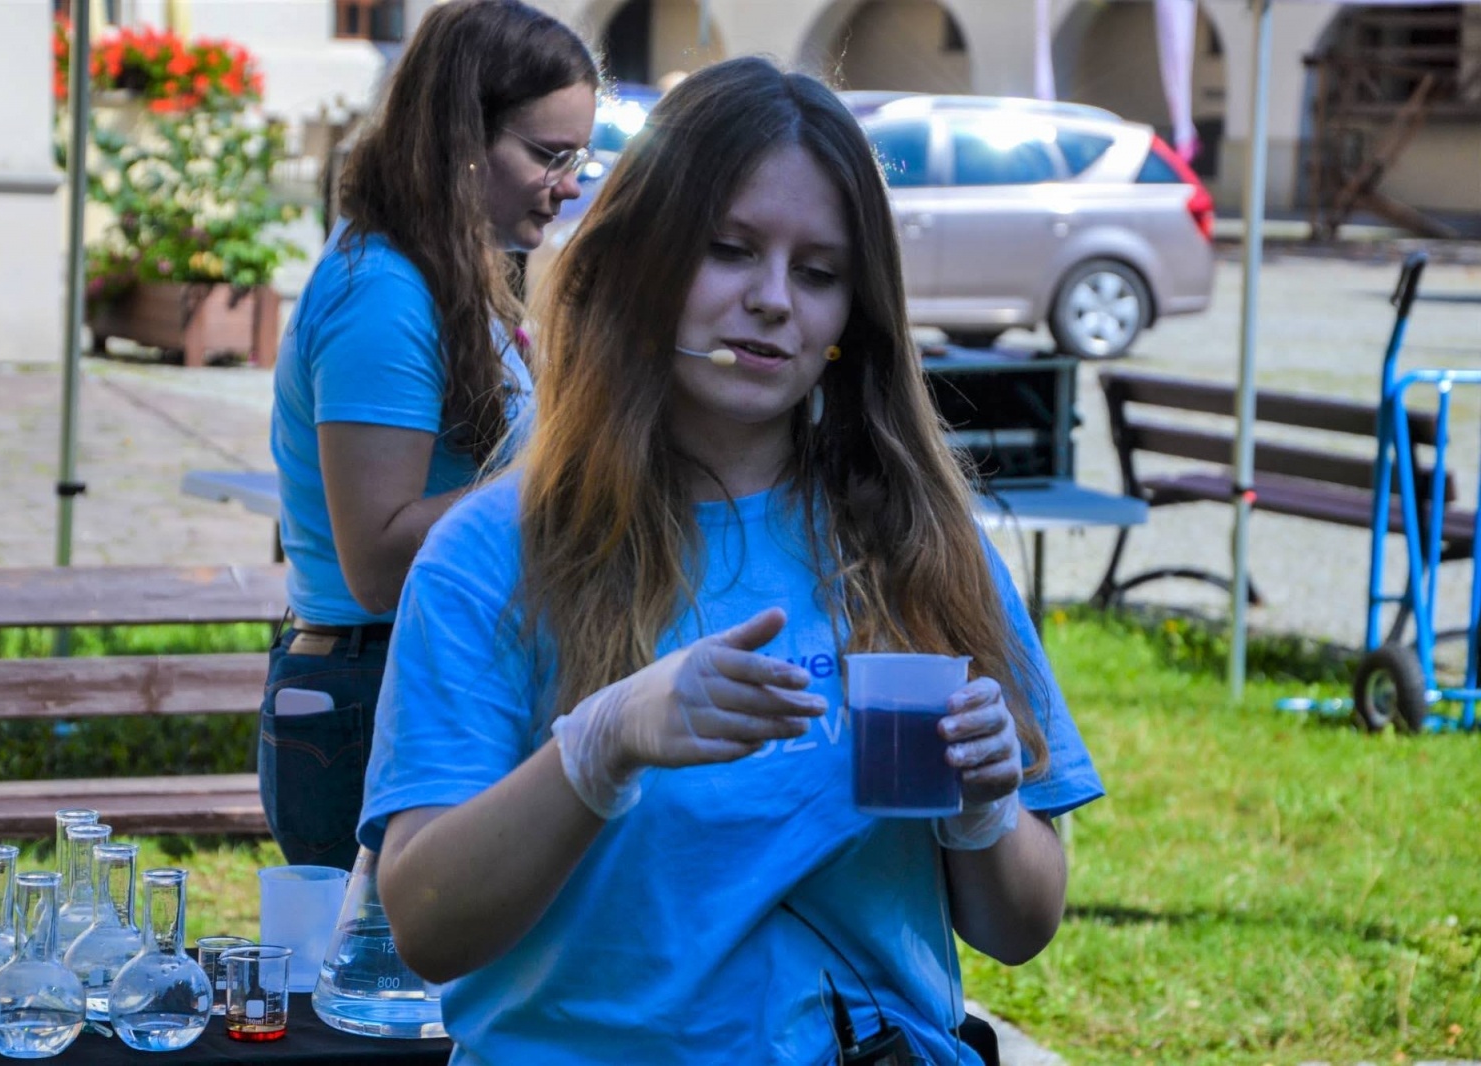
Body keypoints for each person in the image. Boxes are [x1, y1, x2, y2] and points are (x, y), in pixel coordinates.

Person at [360, 56, 1104, 1064]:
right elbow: (427, 926)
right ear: (641, 261)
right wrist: (600, 745)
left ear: (853, 315)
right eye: (729, 250)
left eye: (818, 272)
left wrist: (984, 807)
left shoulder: (921, 540)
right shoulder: (494, 552)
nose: (771, 301)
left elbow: (1020, 928)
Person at [261, 0, 598, 870]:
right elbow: (375, 563)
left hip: (407, 675)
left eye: (579, 158)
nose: (568, 185)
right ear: (461, 138)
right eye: (548, 155)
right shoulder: (382, 293)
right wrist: (572, 469)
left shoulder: (443, 268)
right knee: (380, 1001)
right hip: (365, 692)